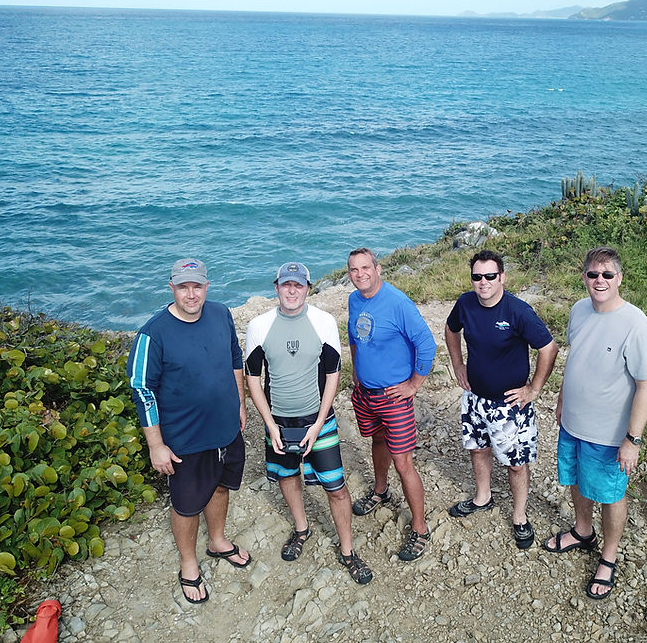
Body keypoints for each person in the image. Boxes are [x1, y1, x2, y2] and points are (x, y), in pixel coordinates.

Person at [127, 258, 251, 605]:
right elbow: (142, 389)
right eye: (184, 287)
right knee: (186, 506)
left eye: (197, 286)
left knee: (222, 486)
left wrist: (239, 404)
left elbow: (233, 360)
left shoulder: (221, 313)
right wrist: (156, 445)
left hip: (226, 429)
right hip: (185, 439)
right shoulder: (153, 333)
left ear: (206, 286)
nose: (191, 293)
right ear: (172, 288)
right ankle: (188, 563)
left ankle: (217, 540)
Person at [543, 246, 647, 601]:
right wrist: (562, 400)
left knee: (611, 495)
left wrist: (632, 440)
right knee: (576, 479)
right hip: (573, 424)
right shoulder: (579, 310)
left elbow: (646, 384)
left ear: (620, 278)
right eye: (593, 274)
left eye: (607, 274)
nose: (600, 281)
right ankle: (582, 531)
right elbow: (574, 359)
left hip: (610, 436)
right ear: (584, 277)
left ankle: (608, 556)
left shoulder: (637, 325)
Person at [243, 262, 373, 584]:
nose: (291, 290)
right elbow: (252, 378)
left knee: (337, 489)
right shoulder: (259, 325)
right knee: (288, 477)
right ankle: (302, 528)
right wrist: (270, 425)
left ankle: (347, 551)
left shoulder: (323, 322)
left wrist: (319, 422)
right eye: (285, 284)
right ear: (276, 288)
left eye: (298, 285)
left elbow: (333, 373)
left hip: (320, 422)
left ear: (307, 289)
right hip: (279, 424)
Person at [444, 249, 558, 549]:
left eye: (490, 276)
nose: (483, 282)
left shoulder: (518, 311)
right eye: (477, 277)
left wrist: (533, 389)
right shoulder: (465, 303)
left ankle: (520, 516)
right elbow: (451, 328)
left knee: (516, 464)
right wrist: (457, 364)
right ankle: (483, 497)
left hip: (510, 406)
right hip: (474, 399)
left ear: (502, 277)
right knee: (477, 449)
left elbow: (549, 348)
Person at [346, 247, 437, 561]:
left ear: (378, 268)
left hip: (394, 397)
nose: (360, 274)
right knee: (377, 440)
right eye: (354, 270)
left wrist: (413, 384)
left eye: (365, 268)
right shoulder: (354, 300)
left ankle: (421, 527)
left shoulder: (398, 303)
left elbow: (427, 343)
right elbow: (354, 339)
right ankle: (381, 490)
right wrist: (357, 373)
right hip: (366, 394)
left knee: (404, 463)